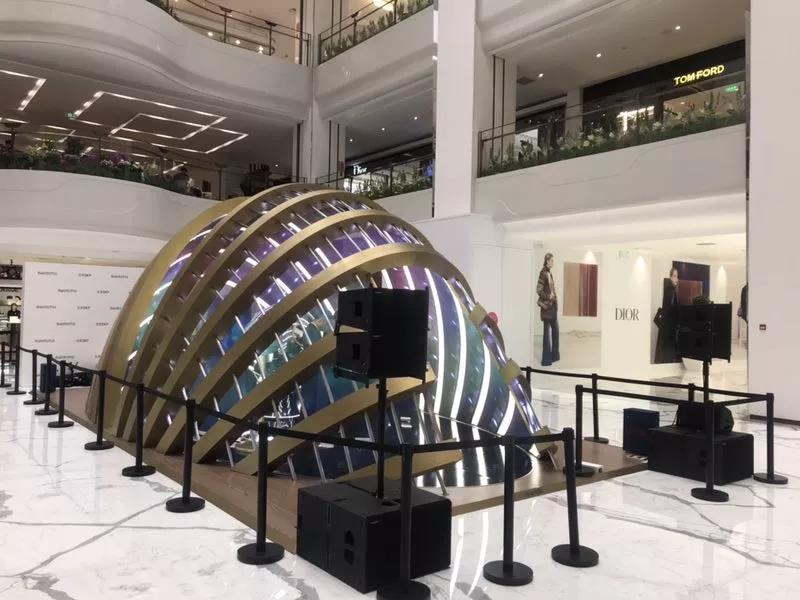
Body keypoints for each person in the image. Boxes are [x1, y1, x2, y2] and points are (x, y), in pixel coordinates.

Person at [537, 253, 560, 366]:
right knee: (547, 334)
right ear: (546, 261)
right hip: (547, 308)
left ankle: (554, 356)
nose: (552, 262)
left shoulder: (549, 273)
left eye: (553, 261)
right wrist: (548, 296)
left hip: (552, 308)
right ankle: (546, 360)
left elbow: (551, 289)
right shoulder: (543, 273)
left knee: (555, 330)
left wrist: (554, 297)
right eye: (551, 260)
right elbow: (539, 290)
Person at [654, 267, 680, 363]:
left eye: (677, 276)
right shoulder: (671, 290)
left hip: (667, 327)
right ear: (670, 277)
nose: (676, 279)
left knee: (665, 354)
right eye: (674, 276)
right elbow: (670, 309)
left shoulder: (669, 289)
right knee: (668, 354)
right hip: (669, 328)